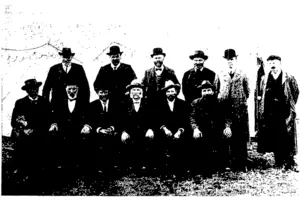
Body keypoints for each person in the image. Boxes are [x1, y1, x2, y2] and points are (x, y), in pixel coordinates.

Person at [257, 55, 299, 171]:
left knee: (287, 135)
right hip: (271, 113)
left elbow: (295, 92)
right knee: (274, 135)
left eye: (274, 62)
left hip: (284, 112)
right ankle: (279, 161)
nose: (272, 65)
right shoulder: (265, 79)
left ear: (280, 63)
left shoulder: (288, 77)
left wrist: (290, 106)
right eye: (270, 63)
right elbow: (262, 93)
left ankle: (290, 161)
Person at [11, 79, 51, 178]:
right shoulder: (20, 103)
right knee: (23, 141)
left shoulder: (44, 101)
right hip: (25, 132)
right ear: (27, 91)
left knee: (43, 140)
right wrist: (23, 129)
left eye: (36, 88)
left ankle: (42, 168)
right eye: (31, 89)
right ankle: (20, 167)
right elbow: (13, 121)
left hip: (40, 130)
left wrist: (36, 129)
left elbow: (48, 119)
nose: (34, 91)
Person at [218, 49, 250, 172]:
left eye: (231, 59)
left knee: (240, 135)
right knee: (226, 135)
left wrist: (239, 101)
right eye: (227, 60)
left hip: (239, 109)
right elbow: (217, 89)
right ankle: (227, 162)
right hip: (225, 108)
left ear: (236, 60)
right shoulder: (220, 74)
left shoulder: (242, 74)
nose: (229, 62)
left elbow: (247, 91)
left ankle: (241, 163)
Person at [48, 79, 87, 170]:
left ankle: (78, 165)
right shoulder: (60, 103)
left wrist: (86, 126)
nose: (72, 91)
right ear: (66, 90)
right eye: (69, 89)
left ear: (78, 89)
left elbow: (88, 116)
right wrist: (54, 124)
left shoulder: (83, 103)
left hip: (78, 129)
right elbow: (55, 116)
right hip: (63, 129)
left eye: (74, 89)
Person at [119, 79, 157, 173]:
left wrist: (150, 129)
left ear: (142, 92)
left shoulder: (148, 103)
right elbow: (120, 120)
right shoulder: (124, 104)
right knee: (125, 140)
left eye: (138, 90)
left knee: (149, 138)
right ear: (130, 92)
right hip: (129, 131)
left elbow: (153, 119)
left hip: (144, 131)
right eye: (133, 90)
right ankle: (129, 165)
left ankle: (145, 164)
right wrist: (123, 131)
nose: (136, 92)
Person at [83, 84, 121, 176]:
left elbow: (119, 119)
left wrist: (112, 128)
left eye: (105, 92)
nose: (103, 95)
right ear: (97, 93)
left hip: (112, 130)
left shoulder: (115, 104)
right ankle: (99, 166)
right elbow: (90, 120)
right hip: (98, 131)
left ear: (109, 93)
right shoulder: (92, 105)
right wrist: (99, 129)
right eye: (101, 92)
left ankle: (112, 166)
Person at [189, 80, 223, 177]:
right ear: (201, 92)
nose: (206, 93)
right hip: (202, 130)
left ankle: (219, 165)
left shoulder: (219, 102)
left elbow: (226, 116)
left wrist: (227, 127)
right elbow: (192, 117)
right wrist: (195, 128)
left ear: (212, 91)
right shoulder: (195, 103)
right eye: (204, 91)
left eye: (208, 90)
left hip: (216, 130)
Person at [43, 48, 90, 113]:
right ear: (61, 56)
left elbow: (85, 88)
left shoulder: (78, 68)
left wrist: (85, 105)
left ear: (72, 57)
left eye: (69, 56)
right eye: (65, 56)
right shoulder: (54, 69)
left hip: (74, 104)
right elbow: (46, 88)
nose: (67, 58)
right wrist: (46, 106)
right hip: (57, 104)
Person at [157, 80, 189, 177]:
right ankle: (164, 169)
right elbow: (157, 119)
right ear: (165, 93)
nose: (170, 93)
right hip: (165, 131)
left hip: (179, 131)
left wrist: (179, 131)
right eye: (168, 91)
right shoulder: (159, 104)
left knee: (182, 143)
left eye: (172, 91)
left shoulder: (183, 104)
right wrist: (165, 129)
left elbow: (185, 120)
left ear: (176, 92)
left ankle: (180, 169)